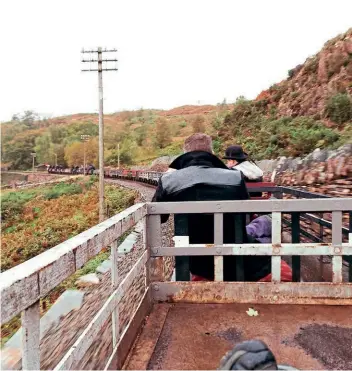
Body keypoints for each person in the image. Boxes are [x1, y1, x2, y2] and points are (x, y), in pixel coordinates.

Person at [152, 133, 272, 282]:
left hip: (196, 262)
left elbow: (158, 218)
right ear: (212, 153)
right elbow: (246, 214)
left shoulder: (169, 181)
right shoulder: (235, 177)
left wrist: (168, 177)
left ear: (184, 154)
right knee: (265, 225)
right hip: (234, 258)